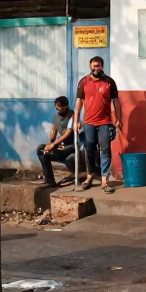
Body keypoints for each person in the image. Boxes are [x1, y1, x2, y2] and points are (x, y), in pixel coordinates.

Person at [74, 56, 122, 194]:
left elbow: (116, 102)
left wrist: (118, 119)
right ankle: (89, 177)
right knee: (89, 149)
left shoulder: (109, 82)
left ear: (102, 66)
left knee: (105, 150)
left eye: (99, 66)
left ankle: (104, 181)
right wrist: (77, 120)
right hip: (88, 122)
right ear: (90, 66)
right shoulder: (83, 82)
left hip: (105, 122)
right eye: (94, 66)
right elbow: (79, 102)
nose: (96, 68)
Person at [37, 96, 76, 187]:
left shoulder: (73, 115)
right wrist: (51, 142)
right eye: (56, 107)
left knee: (52, 151)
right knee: (41, 150)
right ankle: (49, 180)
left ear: (66, 107)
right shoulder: (56, 116)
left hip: (71, 145)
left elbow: (68, 133)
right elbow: (53, 131)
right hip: (60, 145)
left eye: (59, 107)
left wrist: (53, 145)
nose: (57, 109)